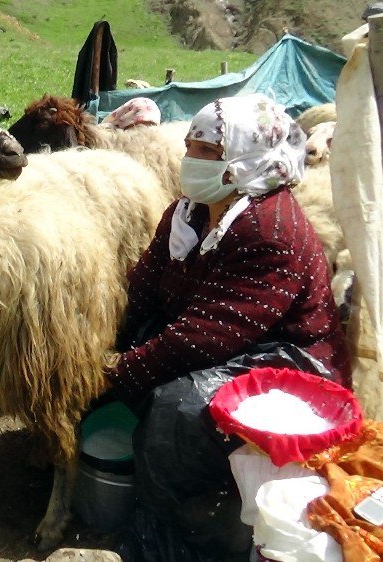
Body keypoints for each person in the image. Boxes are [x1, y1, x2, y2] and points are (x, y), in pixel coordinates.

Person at [105, 94, 352, 561]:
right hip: (224, 338)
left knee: (179, 410)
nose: (189, 161)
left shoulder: (267, 228)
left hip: (290, 360)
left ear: (246, 159)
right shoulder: (190, 211)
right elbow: (143, 286)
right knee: (139, 346)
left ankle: (201, 537)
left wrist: (119, 371)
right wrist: (104, 343)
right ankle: (156, 479)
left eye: (206, 152)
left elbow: (206, 335)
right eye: (190, 147)